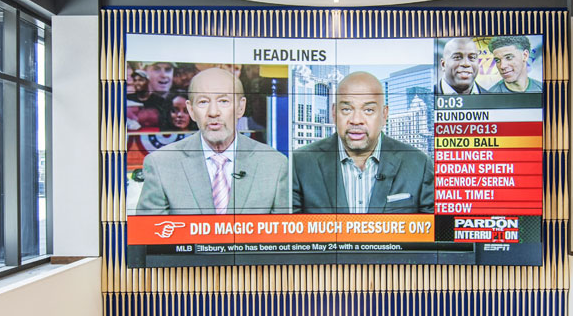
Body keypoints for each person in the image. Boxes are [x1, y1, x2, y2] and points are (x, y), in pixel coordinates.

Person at [136, 67, 289, 215]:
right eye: (203, 102)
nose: (213, 112)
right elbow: (148, 231)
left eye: (223, 101)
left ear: (241, 107)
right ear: (191, 110)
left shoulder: (274, 165)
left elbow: (283, 232)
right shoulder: (161, 164)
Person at [292, 71, 434, 214]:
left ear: (384, 115)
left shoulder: (418, 163)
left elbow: (434, 226)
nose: (356, 120)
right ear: (334, 113)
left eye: (368, 110)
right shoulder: (299, 163)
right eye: (346, 109)